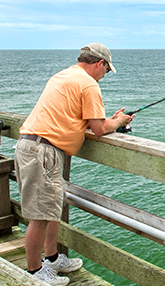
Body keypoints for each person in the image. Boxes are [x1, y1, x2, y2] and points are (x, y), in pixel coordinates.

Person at [14, 43, 135, 286]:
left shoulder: (65, 75)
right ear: (99, 63)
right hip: (44, 151)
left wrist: (107, 120)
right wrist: (119, 121)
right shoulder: (89, 84)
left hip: (34, 146)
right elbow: (99, 129)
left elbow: (84, 120)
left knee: (51, 208)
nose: (105, 75)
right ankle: (35, 272)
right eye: (107, 71)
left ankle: (52, 258)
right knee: (39, 215)